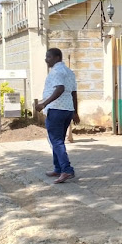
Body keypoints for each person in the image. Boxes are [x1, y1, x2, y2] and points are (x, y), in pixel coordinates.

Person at [34, 48, 80, 184]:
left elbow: (60, 89)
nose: (46, 60)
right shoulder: (69, 72)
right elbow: (74, 93)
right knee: (57, 140)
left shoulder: (56, 71)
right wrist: (75, 112)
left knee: (56, 141)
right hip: (67, 110)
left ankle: (66, 170)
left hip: (56, 109)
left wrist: (43, 104)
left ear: (57, 57)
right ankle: (58, 168)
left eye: (48, 57)